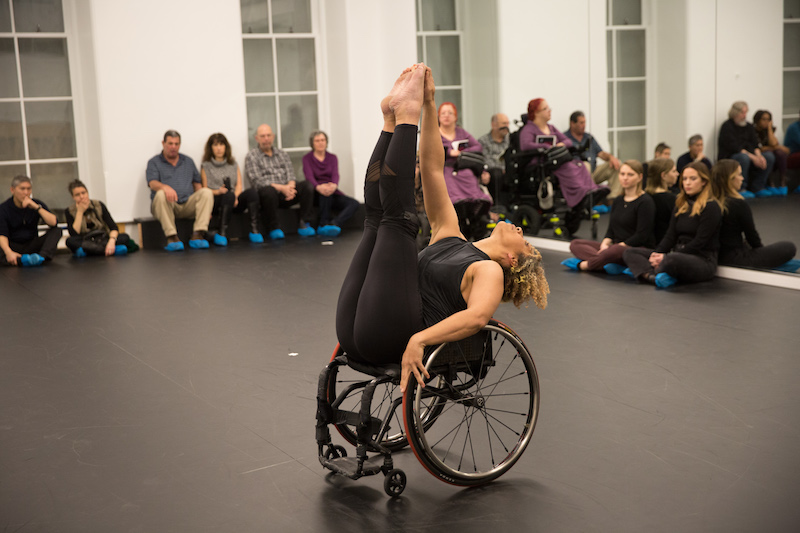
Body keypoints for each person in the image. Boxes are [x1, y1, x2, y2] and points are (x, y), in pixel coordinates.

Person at [335, 64, 548, 393]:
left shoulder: (488, 270)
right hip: (357, 326)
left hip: (389, 335)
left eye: (526, 243)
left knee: (399, 220)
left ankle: (404, 117)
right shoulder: (452, 234)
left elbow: (477, 318)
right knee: (376, 217)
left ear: (513, 260)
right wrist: (430, 105)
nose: (521, 230)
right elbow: (433, 169)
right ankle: (392, 121)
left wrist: (420, 340)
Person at [623, 162, 722, 288]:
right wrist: (657, 254)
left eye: (693, 179)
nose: (687, 183)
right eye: (685, 179)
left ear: (704, 182)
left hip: (702, 259)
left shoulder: (711, 207)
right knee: (629, 252)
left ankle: (642, 271)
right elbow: (670, 235)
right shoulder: (681, 204)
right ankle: (651, 276)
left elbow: (700, 241)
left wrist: (666, 256)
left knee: (672, 260)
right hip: (676, 252)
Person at [562, 160, 654, 274]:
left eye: (630, 175)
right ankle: (608, 263)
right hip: (614, 248)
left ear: (640, 177)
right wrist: (605, 244)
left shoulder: (645, 202)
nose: (625, 178)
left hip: (634, 249)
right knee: (575, 244)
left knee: (615, 250)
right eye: (622, 174)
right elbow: (611, 229)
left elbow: (641, 235)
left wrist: (616, 247)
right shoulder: (618, 200)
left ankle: (586, 265)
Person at [519, 98, 609, 212]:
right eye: (545, 109)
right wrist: (546, 146)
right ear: (536, 112)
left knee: (579, 164)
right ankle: (579, 194)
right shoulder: (528, 129)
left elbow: (568, 141)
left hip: (555, 160)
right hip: (541, 163)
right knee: (569, 167)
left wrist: (561, 144)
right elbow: (525, 145)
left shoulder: (551, 127)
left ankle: (591, 189)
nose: (549, 111)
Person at [710, 159, 796, 270]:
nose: (742, 178)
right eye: (739, 175)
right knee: (789, 247)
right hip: (735, 260)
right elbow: (753, 238)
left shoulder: (709, 202)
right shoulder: (738, 204)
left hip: (716, 257)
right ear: (730, 179)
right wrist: (763, 254)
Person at [244, 124, 315, 240]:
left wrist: (290, 187)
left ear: (273, 137)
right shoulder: (252, 156)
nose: (266, 139)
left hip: (286, 192)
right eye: (262, 136)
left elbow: (290, 174)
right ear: (257, 138)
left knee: (307, 186)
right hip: (269, 195)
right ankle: (274, 228)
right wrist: (282, 188)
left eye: (268, 135)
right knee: (268, 191)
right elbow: (257, 181)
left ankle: (304, 223)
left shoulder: (282, 154)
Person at [146, 129, 214, 251]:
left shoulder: (188, 161)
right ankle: (172, 237)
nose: (173, 147)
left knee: (206, 192)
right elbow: (152, 183)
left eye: (176, 144)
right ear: (163, 143)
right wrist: (164, 187)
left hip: (186, 204)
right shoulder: (154, 162)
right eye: (170, 143)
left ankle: (198, 234)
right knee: (161, 194)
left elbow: (197, 183)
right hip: (166, 205)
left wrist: (206, 207)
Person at [438, 101, 493, 240]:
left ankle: (475, 211)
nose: (446, 116)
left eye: (450, 113)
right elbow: (430, 152)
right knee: (448, 177)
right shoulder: (434, 133)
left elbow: (477, 147)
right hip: (445, 168)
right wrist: (451, 152)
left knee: (468, 174)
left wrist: (462, 152)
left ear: (455, 117)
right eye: (443, 113)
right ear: (438, 116)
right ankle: (459, 213)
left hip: (463, 167)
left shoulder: (461, 132)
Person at [200, 133, 263, 246]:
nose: (219, 148)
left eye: (221, 144)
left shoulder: (233, 164)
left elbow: (239, 185)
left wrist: (236, 197)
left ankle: (254, 230)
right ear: (211, 148)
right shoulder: (206, 166)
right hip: (216, 200)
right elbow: (205, 189)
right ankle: (222, 233)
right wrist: (218, 191)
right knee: (228, 195)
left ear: (226, 147)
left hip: (233, 199)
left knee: (252, 193)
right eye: (215, 145)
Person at [302, 130, 359, 237]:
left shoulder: (332, 157)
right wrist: (319, 187)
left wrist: (334, 185)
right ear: (312, 143)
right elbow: (309, 176)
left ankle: (335, 223)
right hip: (316, 193)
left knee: (353, 203)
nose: (320, 143)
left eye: (323, 140)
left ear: (326, 142)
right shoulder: (307, 158)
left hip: (332, 191)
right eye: (317, 140)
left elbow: (335, 174)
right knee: (325, 192)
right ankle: (323, 224)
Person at [65, 180, 137, 257]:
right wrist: (80, 212)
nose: (82, 197)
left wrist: (111, 242)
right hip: (85, 240)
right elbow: (73, 234)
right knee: (70, 241)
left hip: (102, 238)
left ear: (87, 193)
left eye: (83, 193)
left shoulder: (99, 205)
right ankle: (105, 250)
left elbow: (113, 227)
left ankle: (92, 252)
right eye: (77, 195)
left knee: (124, 237)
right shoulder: (69, 211)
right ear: (73, 197)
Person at [717, 101, 774, 198]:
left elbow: (755, 145)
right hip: (732, 156)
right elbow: (735, 148)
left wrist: (759, 157)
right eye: (742, 113)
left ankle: (758, 186)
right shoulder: (727, 126)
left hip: (750, 155)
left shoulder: (749, 126)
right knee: (743, 158)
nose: (745, 115)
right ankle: (741, 188)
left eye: (746, 112)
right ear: (735, 113)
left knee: (769, 156)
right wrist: (753, 158)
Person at [0, 175, 60, 267]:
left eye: (29, 189)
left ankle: (41, 258)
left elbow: (53, 222)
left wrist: (36, 207)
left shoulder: (36, 204)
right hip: (13, 245)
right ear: (13, 190)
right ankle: (21, 260)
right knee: (2, 248)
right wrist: (8, 252)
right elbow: (2, 235)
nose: (26, 192)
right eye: (22, 189)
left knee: (57, 230)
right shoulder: (4, 208)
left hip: (32, 245)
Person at [564, 110, 621, 200]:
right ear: (572, 123)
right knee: (585, 165)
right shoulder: (565, 139)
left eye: (585, 122)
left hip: (594, 172)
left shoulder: (588, 138)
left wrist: (611, 157)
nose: (584, 125)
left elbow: (601, 153)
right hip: (578, 175)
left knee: (617, 165)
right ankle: (591, 199)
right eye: (581, 123)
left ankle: (612, 199)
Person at [753, 110, 790, 195]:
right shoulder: (752, 130)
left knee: (780, 153)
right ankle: (770, 182)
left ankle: (782, 181)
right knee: (770, 153)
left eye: (768, 120)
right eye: (764, 119)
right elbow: (760, 148)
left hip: (774, 158)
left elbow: (774, 144)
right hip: (760, 157)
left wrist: (769, 129)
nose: (766, 122)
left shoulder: (769, 131)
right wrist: (771, 148)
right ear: (757, 120)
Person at [644, 158, 679, 244]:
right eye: (674, 171)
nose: (677, 174)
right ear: (663, 176)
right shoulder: (671, 199)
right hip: (665, 244)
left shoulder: (644, 197)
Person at [477, 113, 510, 200]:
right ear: (494, 125)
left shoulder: (510, 141)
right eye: (504, 124)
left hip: (508, 171)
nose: (507, 126)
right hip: (492, 174)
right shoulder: (483, 141)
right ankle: (496, 206)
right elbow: (485, 160)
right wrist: (502, 168)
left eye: (508, 123)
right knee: (496, 173)